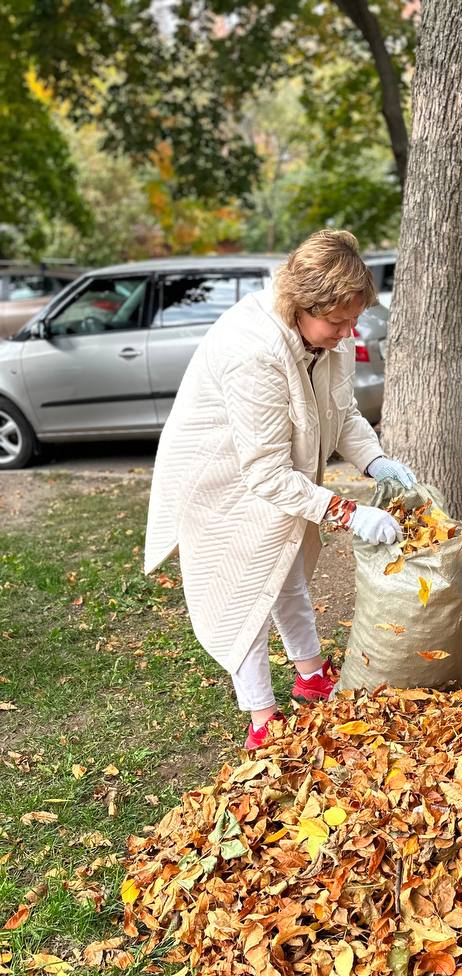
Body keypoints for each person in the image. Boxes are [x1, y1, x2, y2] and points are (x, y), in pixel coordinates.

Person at [144, 229, 416, 749]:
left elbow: (343, 412)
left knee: (285, 570)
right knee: (244, 590)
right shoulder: (255, 352)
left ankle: (311, 675)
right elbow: (264, 474)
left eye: (352, 319)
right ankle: (262, 721)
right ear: (300, 305)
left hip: (271, 471)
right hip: (222, 481)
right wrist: (348, 513)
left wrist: (375, 459)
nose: (347, 332)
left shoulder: (326, 336)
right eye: (338, 322)